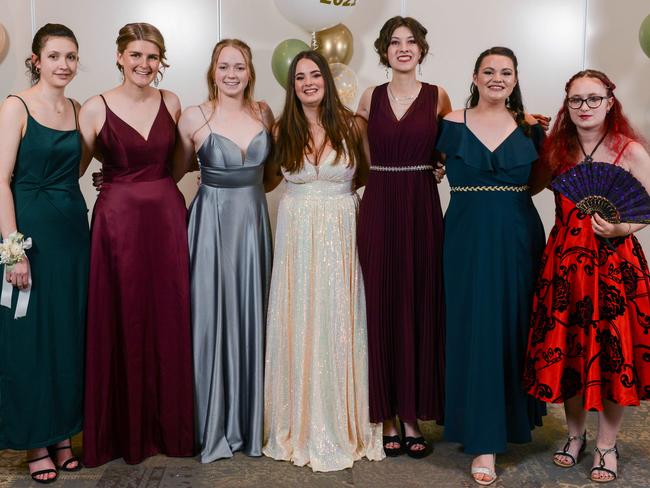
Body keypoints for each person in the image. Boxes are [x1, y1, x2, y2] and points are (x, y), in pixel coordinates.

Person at [524, 69, 650, 484]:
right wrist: (525, 134)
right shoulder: (557, 151)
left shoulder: (628, 150)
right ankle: (574, 436)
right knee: (571, 354)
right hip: (564, 266)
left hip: (615, 268)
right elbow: (527, 188)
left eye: (593, 99)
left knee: (614, 359)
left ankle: (607, 445)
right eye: (576, 100)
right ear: (567, 105)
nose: (585, 108)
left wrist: (620, 229)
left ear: (609, 102)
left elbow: (649, 208)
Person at [79, 22, 194, 467]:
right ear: (119, 57)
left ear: (160, 61)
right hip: (117, 225)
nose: (144, 64)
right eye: (135, 55)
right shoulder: (94, 107)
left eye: (152, 57)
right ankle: (123, 435)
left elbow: (180, 163)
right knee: (122, 318)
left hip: (166, 218)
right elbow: (73, 167)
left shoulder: (172, 102)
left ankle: (170, 429)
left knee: (169, 317)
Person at [262, 50, 384, 472]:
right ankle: (296, 419)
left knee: (339, 320)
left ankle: (343, 419)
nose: (309, 82)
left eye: (316, 75)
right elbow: (267, 179)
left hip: (341, 229)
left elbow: (368, 174)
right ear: (291, 85)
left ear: (327, 81)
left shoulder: (352, 125)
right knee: (300, 321)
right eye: (300, 77)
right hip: (297, 236)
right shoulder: (281, 129)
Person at [436, 46, 546, 485]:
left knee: (511, 327)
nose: (497, 78)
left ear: (515, 80)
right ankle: (480, 437)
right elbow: (428, 168)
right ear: (475, 77)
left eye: (506, 72)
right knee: (472, 328)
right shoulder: (448, 126)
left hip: (517, 237)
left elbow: (540, 183)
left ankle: (510, 425)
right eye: (489, 71)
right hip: (464, 237)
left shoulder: (532, 129)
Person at [355, 16, 451, 458]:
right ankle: (387, 415)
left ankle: (412, 415)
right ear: (384, 51)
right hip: (379, 202)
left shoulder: (438, 97)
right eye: (395, 42)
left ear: (422, 48)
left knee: (416, 303)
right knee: (380, 303)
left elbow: (461, 143)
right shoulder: (369, 97)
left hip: (420, 205)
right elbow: (357, 154)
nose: (404, 48)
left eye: (411, 41)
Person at [174, 39, 273, 462]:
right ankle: (210, 422)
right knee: (210, 319)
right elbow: (174, 170)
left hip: (252, 223)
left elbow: (270, 175)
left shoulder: (264, 112)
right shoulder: (193, 116)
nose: (232, 74)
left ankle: (249, 424)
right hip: (210, 223)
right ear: (212, 71)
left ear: (250, 72)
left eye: (240, 66)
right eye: (224, 66)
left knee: (251, 314)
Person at [0, 24, 87, 484]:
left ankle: (62, 435)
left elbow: (79, 168)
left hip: (73, 231)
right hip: (30, 235)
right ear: (36, 60)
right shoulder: (15, 106)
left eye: (71, 57)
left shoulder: (76, 108)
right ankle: (36, 439)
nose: (63, 65)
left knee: (67, 332)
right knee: (31, 337)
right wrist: (12, 250)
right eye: (54, 56)